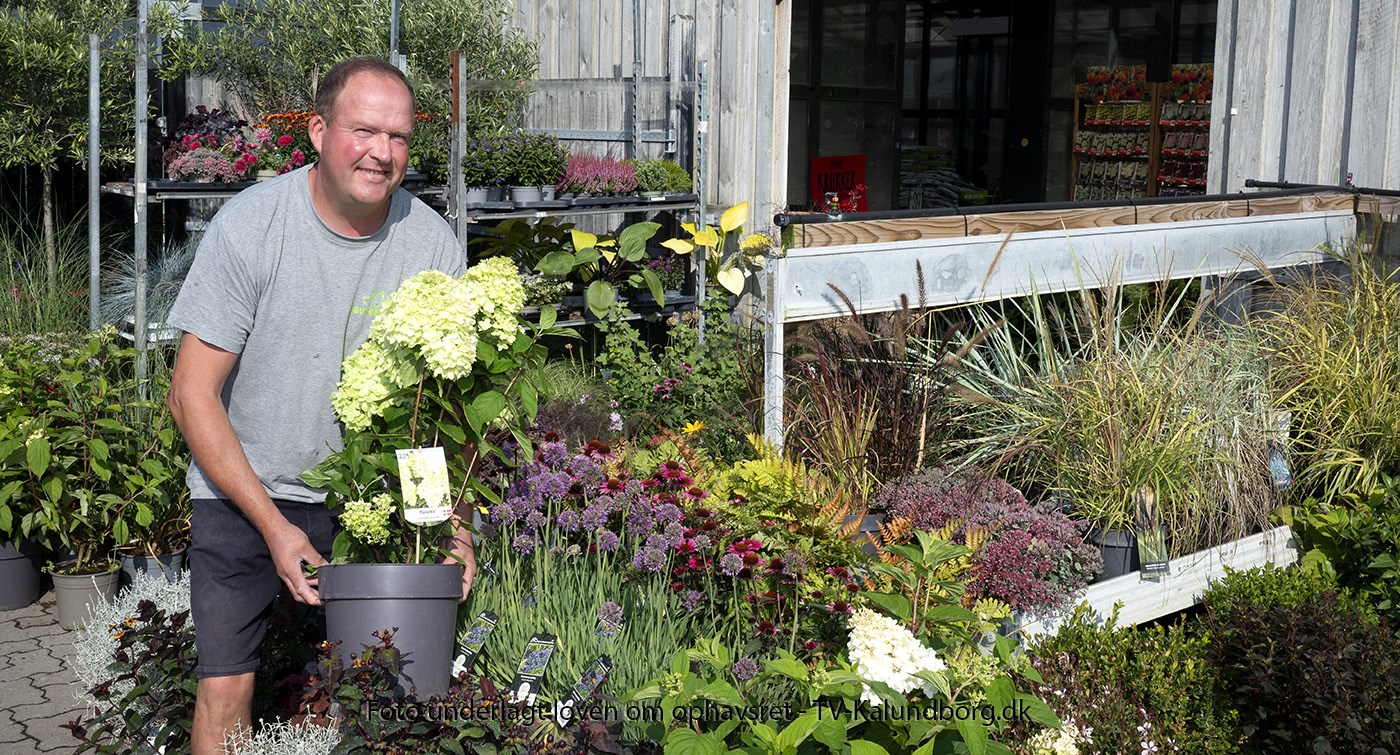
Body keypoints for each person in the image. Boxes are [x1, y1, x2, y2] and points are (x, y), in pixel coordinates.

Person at [165, 57, 475, 755]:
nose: (382, 152)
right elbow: (191, 396)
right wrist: (274, 528)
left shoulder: (430, 242)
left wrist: (446, 520)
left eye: (399, 136)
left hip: (372, 496)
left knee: (393, 686)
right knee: (225, 688)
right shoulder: (252, 228)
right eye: (364, 130)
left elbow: (435, 410)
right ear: (317, 131)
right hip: (244, 487)